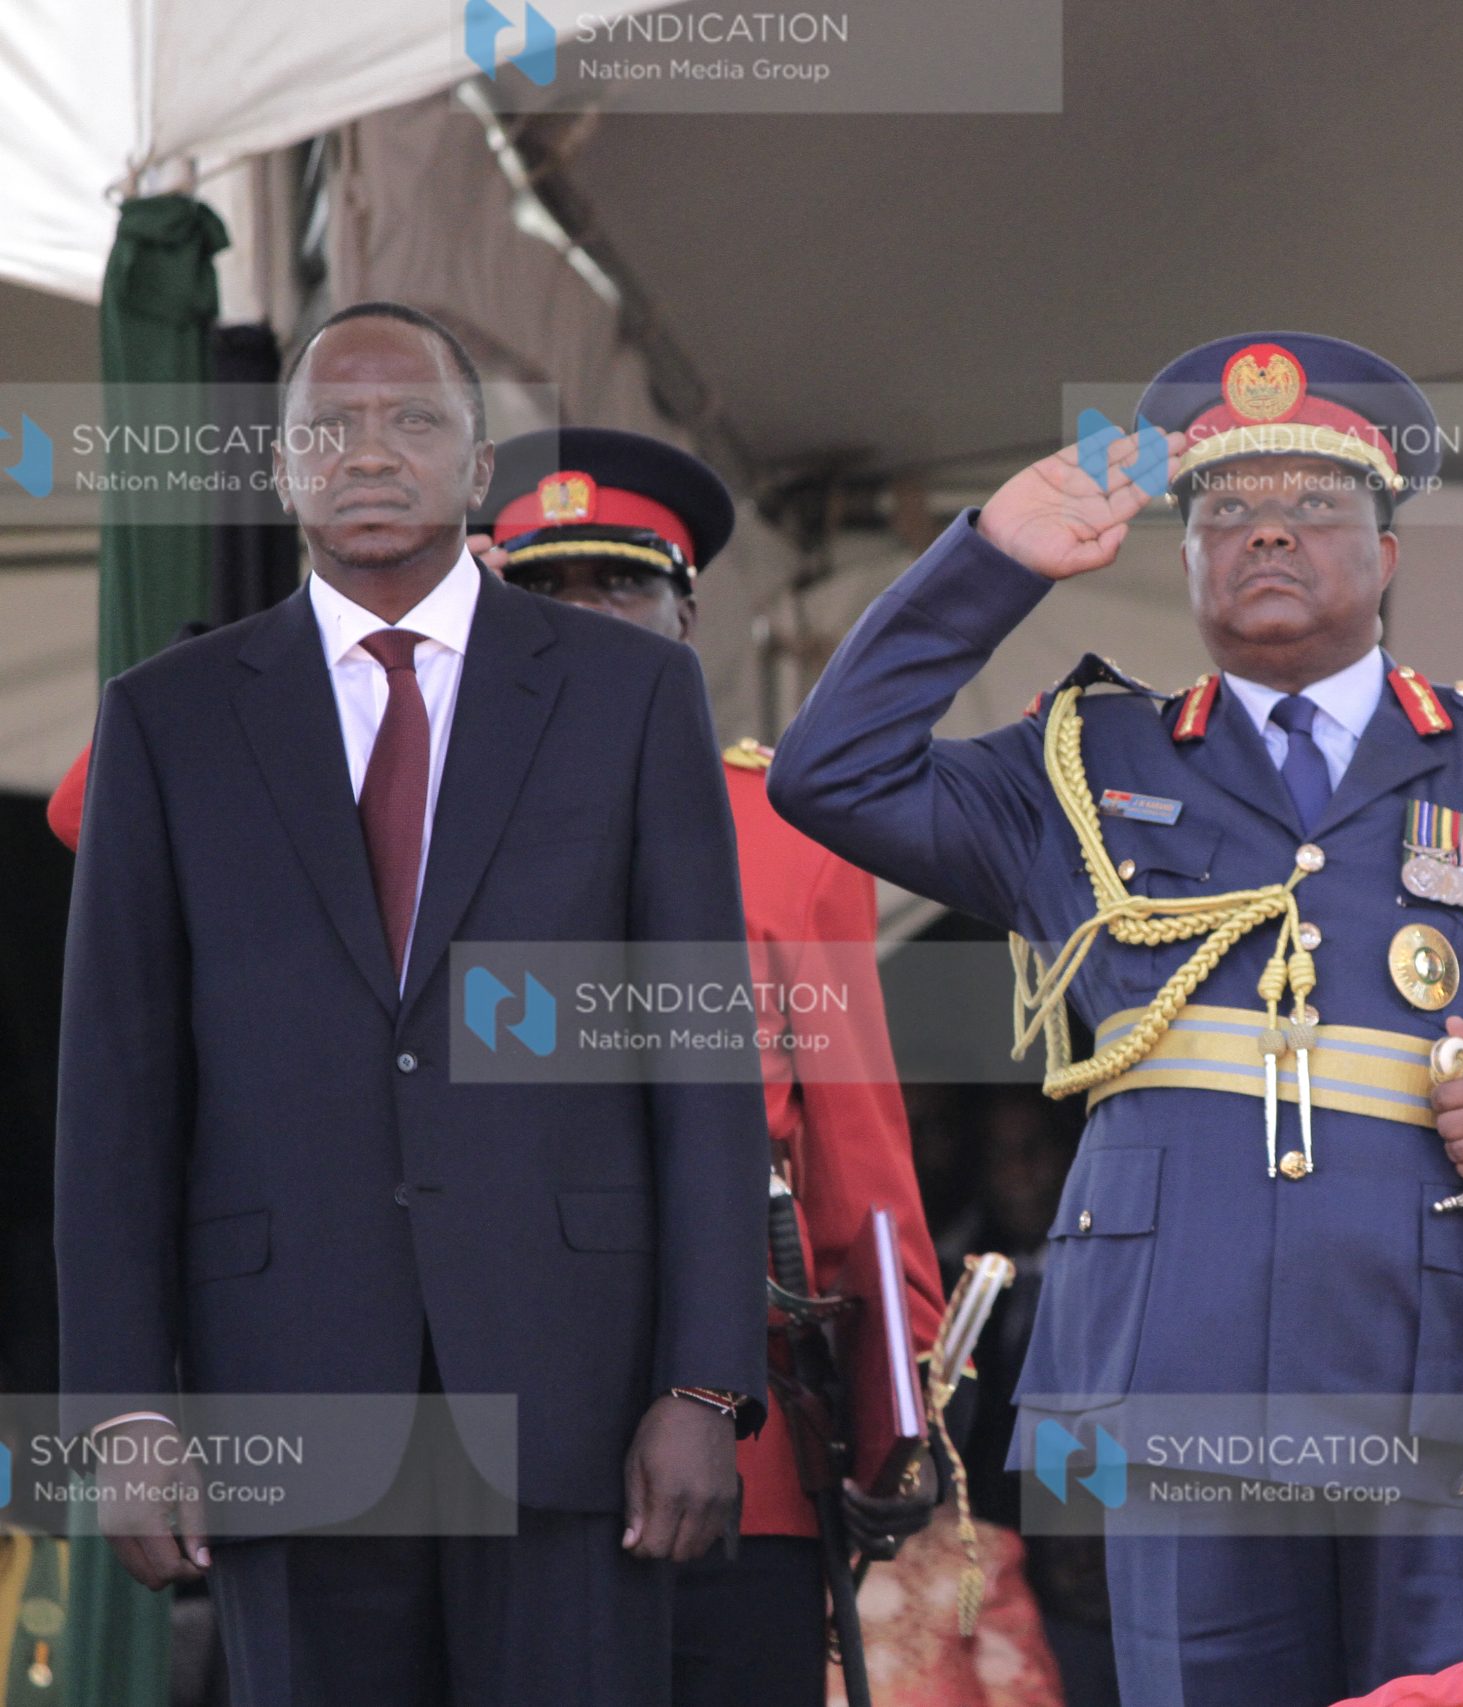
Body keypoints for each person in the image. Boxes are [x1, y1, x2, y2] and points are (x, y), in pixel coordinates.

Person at [765, 331, 1463, 1705]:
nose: (1266, 528)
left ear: (1389, 555)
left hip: (1445, 1369)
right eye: (1225, 510)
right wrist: (991, 557)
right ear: (1186, 558)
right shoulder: (1081, 764)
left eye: (1315, 504)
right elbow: (831, 773)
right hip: (1181, 1368)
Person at [54, 303, 771, 1707]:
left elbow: (702, 1056)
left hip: (577, 1389)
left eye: (414, 421)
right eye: (330, 425)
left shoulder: (635, 693)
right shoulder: (169, 717)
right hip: (287, 1384)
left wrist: (702, 1383)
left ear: (480, 464)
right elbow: (118, 1084)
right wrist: (125, 1405)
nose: (369, 453)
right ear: (280, 467)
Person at [472, 426, 954, 1707]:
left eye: (622, 587)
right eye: (540, 592)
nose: (585, 622)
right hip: (483, 1412)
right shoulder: (404, 795)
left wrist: (892, 1409)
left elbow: (859, 1146)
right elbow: (97, 805)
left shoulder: (781, 828)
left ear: (685, 616)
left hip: (733, 1421)